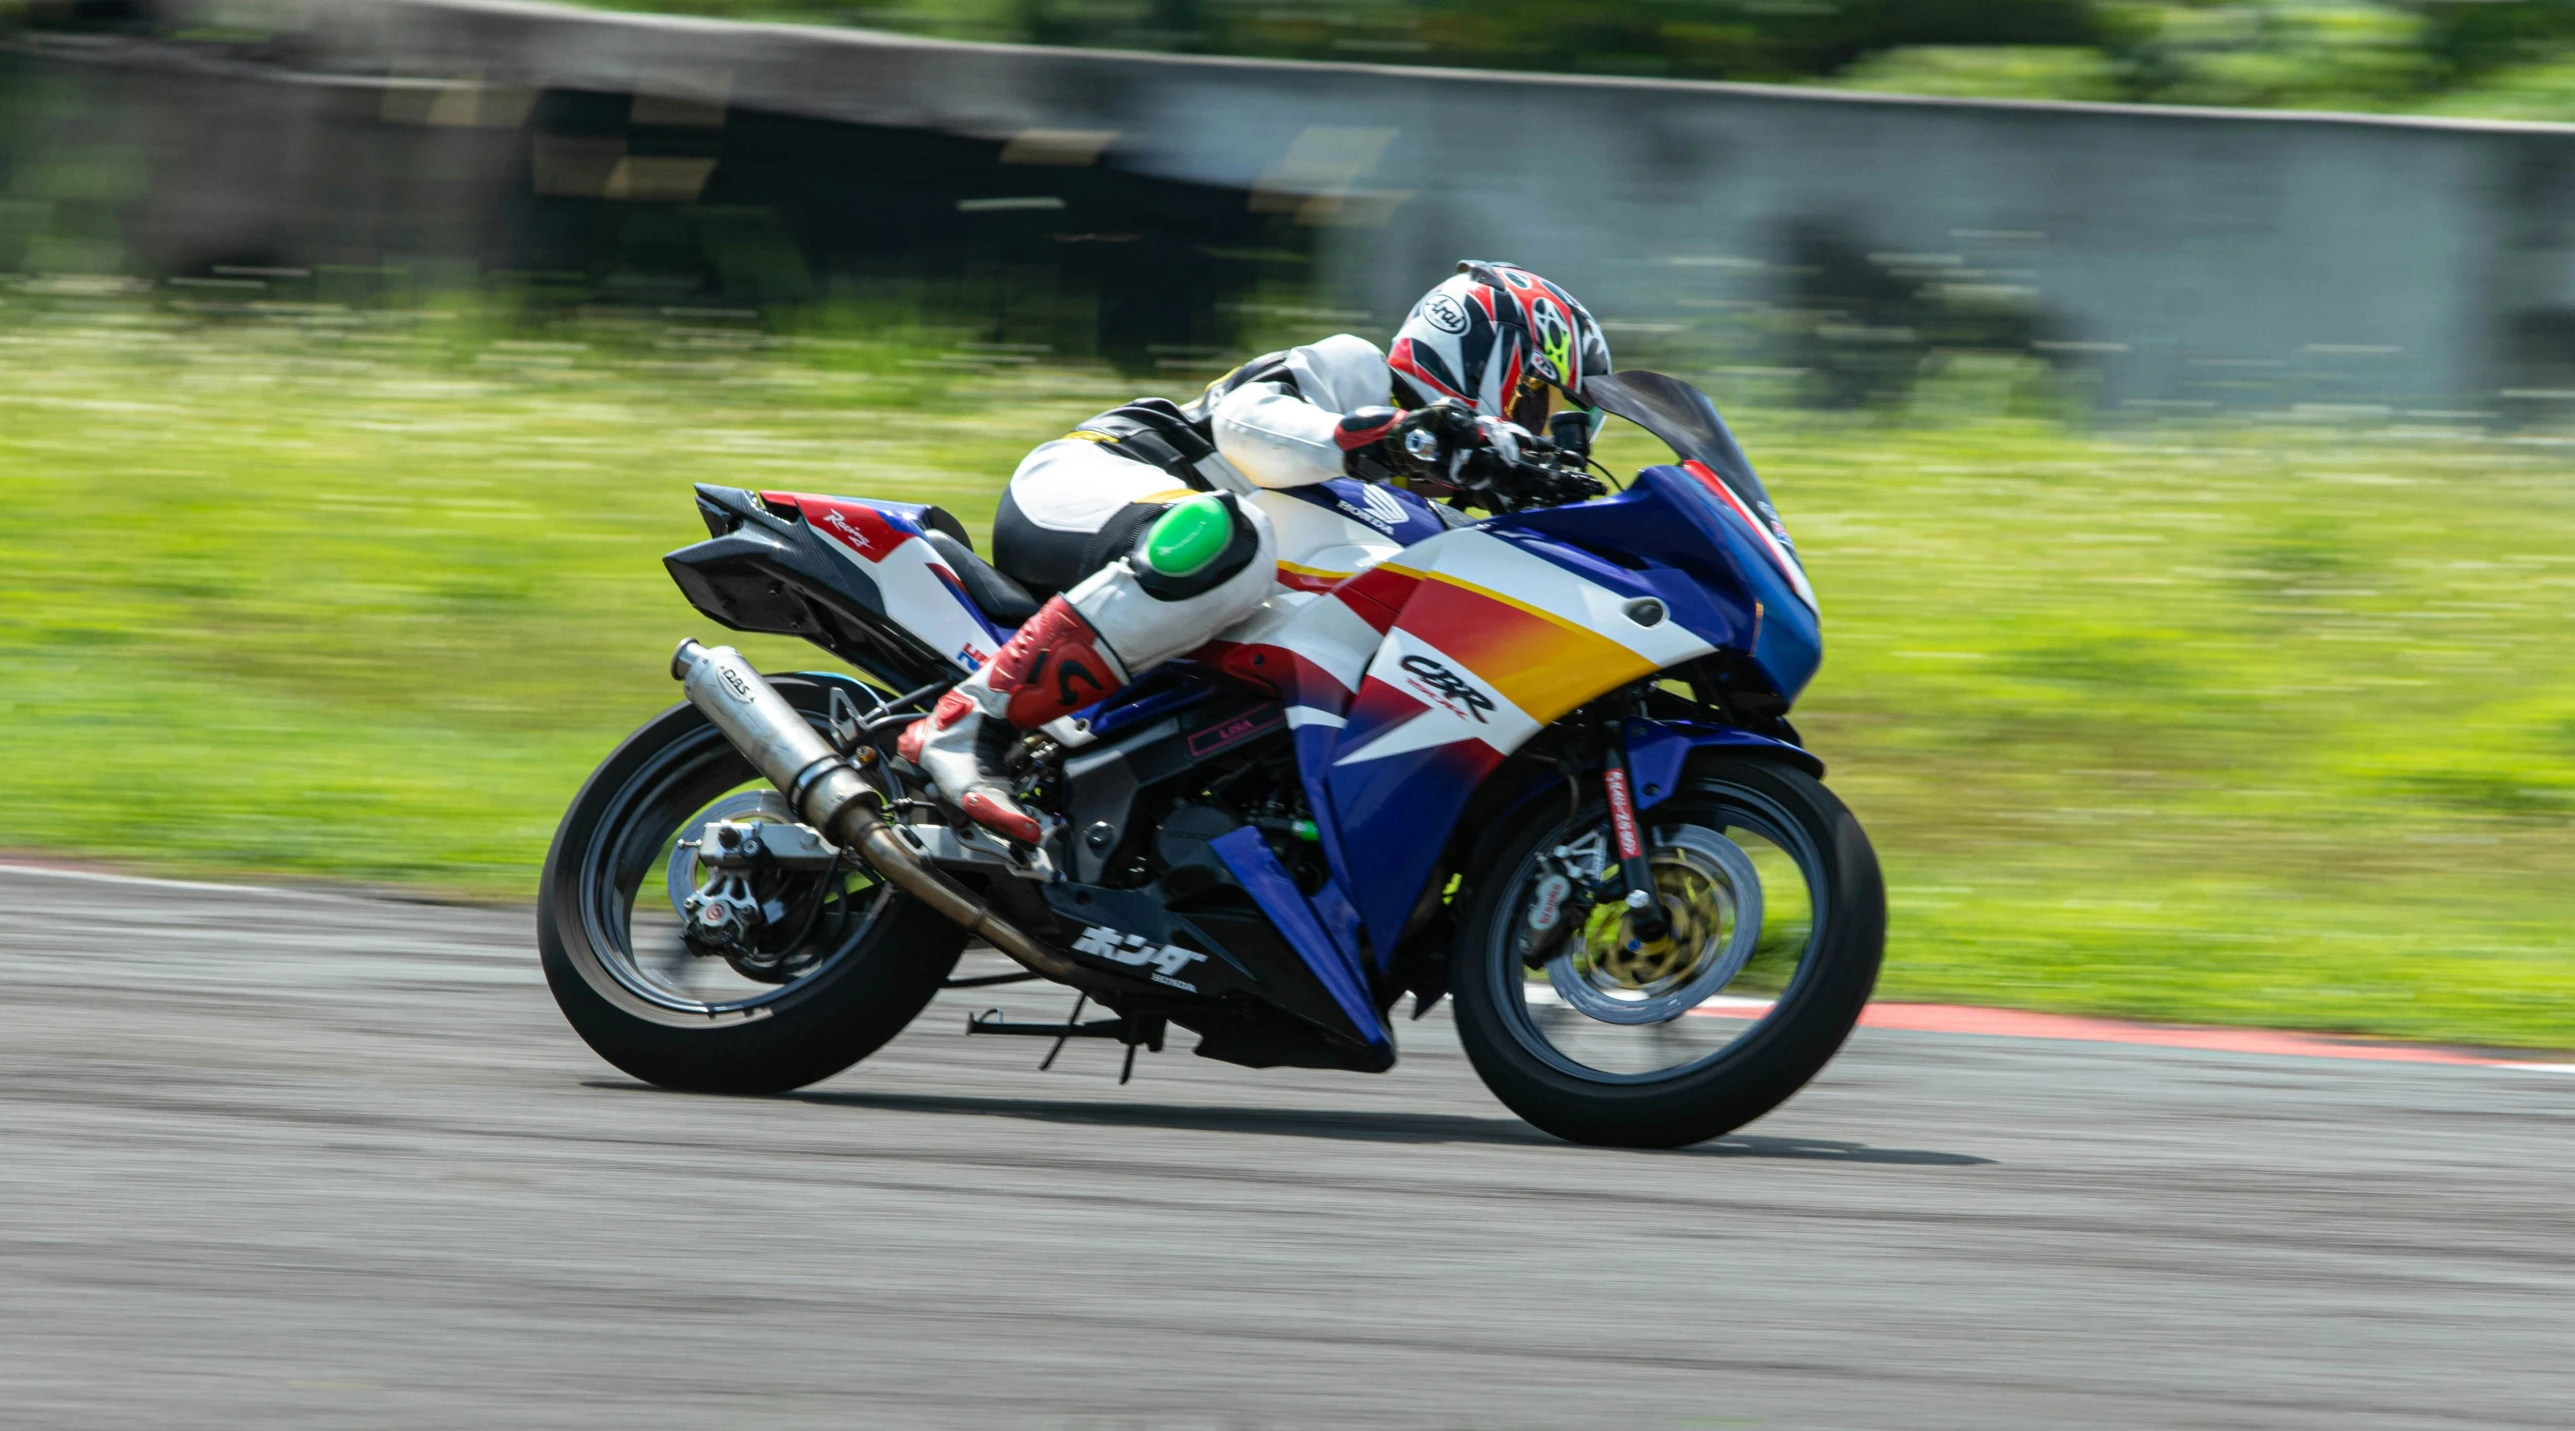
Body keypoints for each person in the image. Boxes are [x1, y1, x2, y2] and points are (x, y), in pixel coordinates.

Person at [898, 260, 1615, 844]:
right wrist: (1391, 435)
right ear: (1489, 356)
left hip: (1174, 584)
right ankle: (971, 720)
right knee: (1236, 536)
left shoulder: (1425, 518)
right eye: (1544, 410)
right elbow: (1248, 426)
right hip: (1094, 479)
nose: (1550, 442)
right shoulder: (1356, 371)